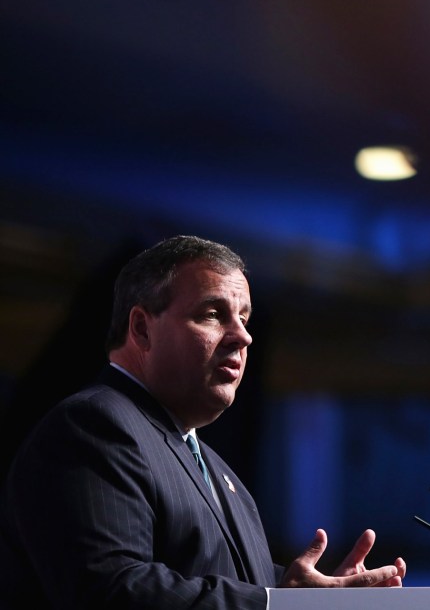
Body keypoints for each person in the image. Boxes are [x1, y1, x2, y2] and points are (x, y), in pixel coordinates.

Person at [0, 235, 406, 609]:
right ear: (142, 328)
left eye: (244, 319)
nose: (243, 337)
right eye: (214, 314)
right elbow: (113, 591)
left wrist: (322, 595)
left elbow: (243, 585)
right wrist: (277, 603)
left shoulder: (215, 467)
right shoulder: (94, 426)